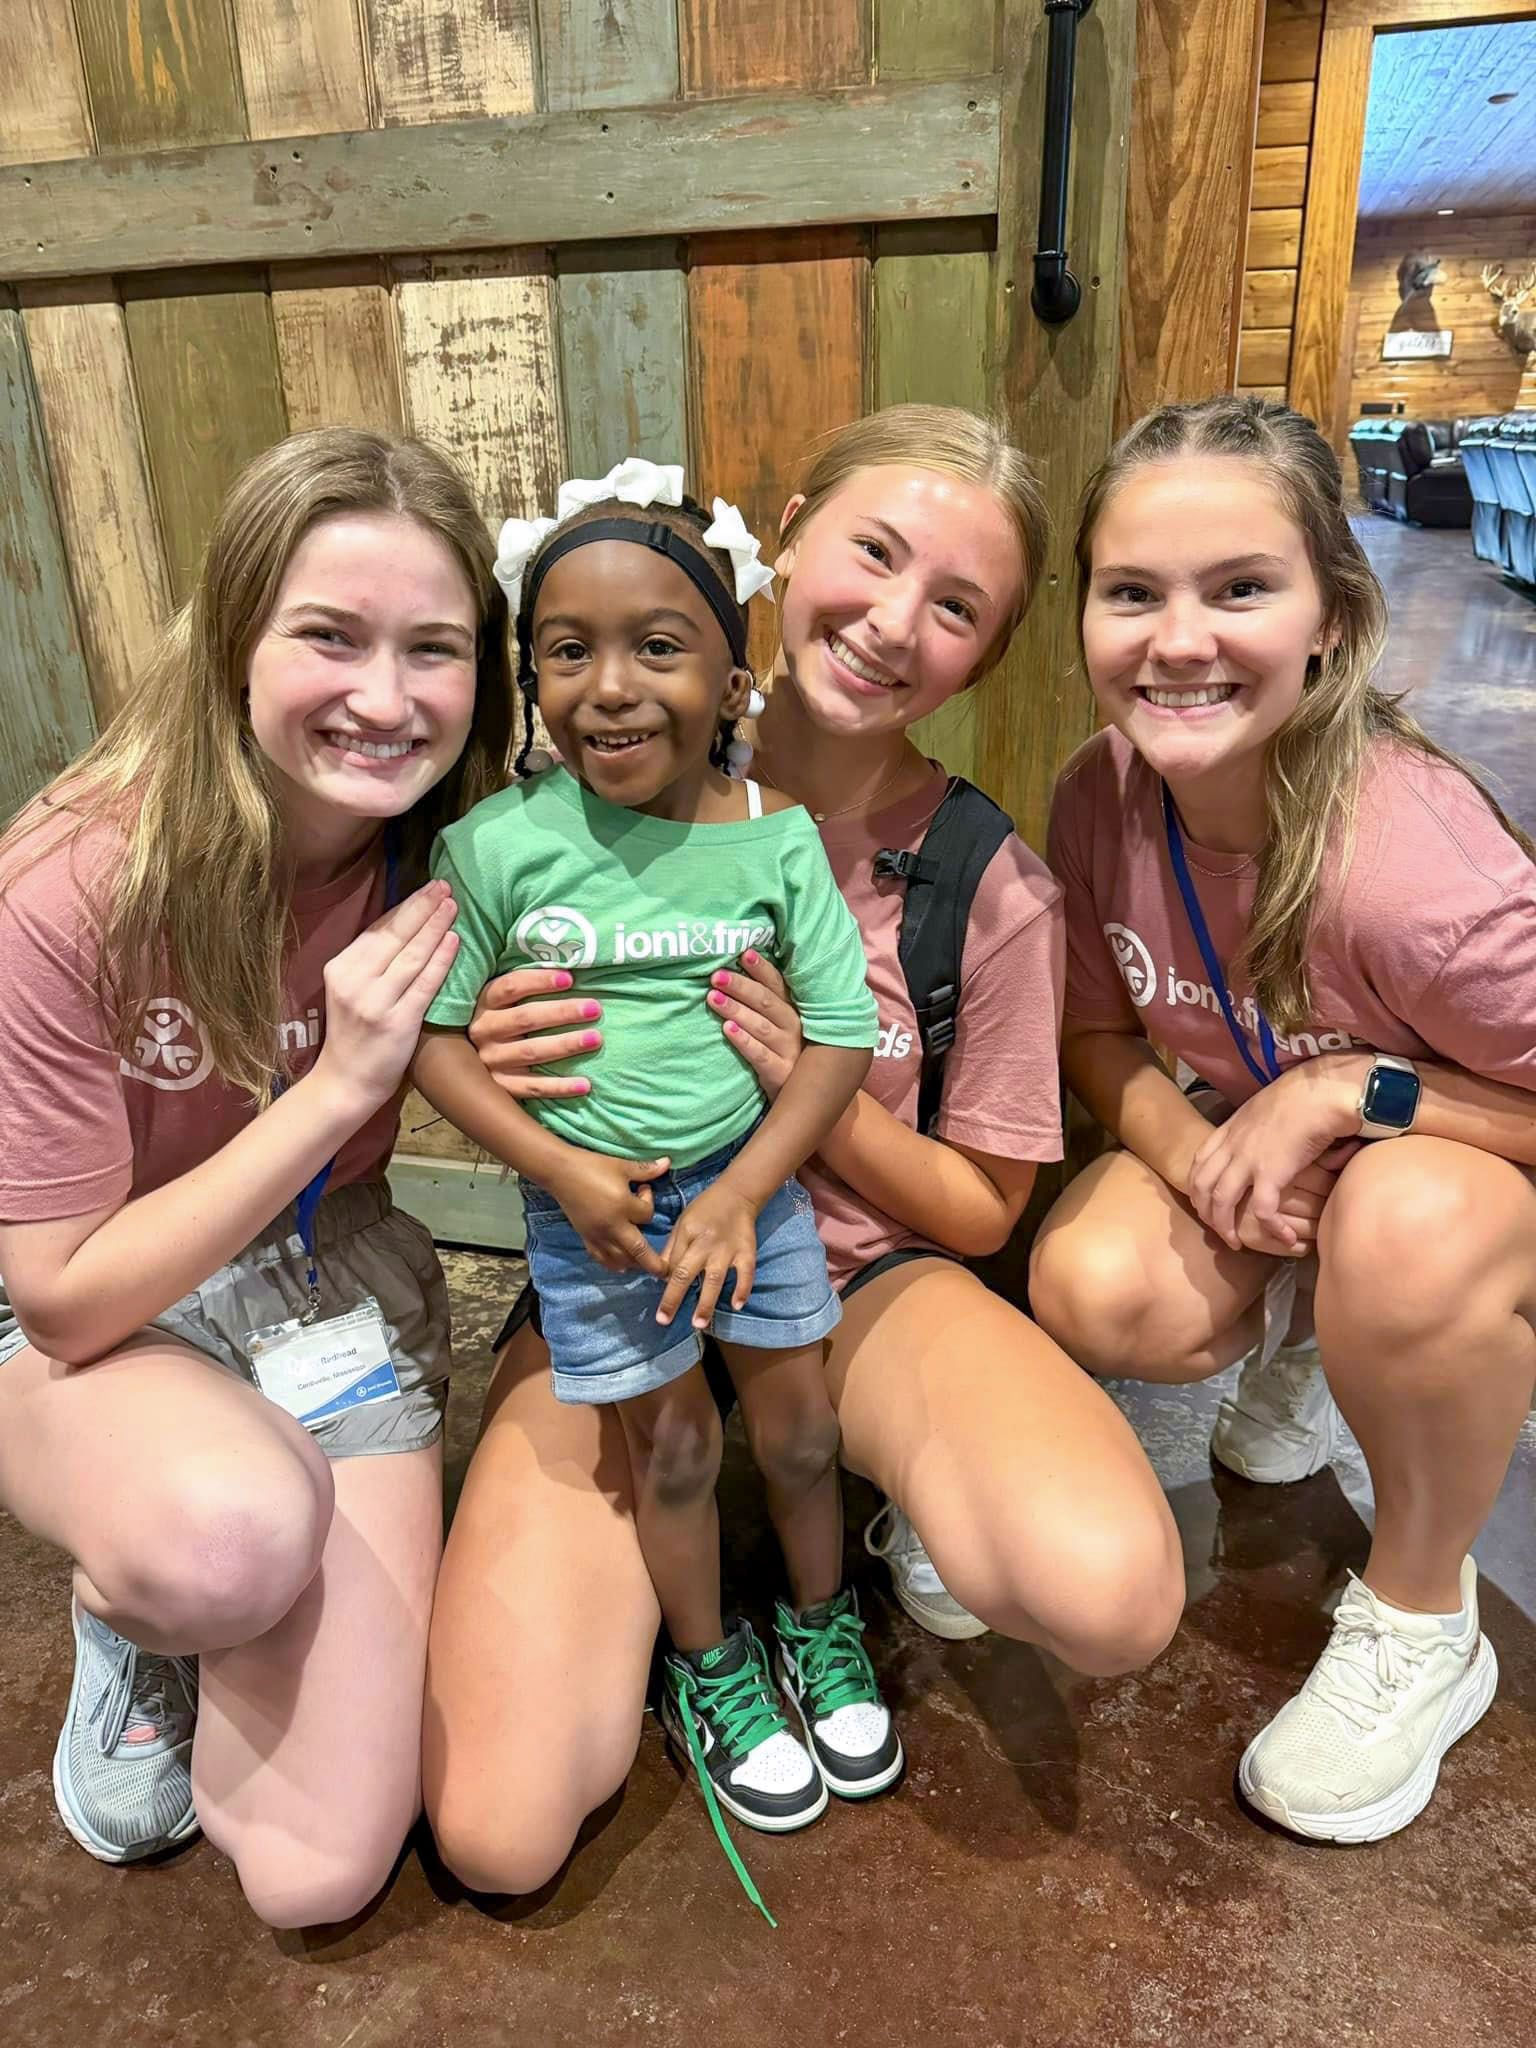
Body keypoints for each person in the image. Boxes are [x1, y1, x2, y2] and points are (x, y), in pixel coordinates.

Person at [422, 405, 1185, 1898]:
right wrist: (505, 1070)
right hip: (619, 1261)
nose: (894, 622)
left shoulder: (984, 883)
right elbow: (430, 1023)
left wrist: (811, 1095)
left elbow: (981, 1212)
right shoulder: (559, 794)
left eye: (957, 605)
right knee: (501, 1825)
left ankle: (856, 1536)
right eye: (874, 554)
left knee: (1108, 1592)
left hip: (860, 1280)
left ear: (991, 650)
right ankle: (695, 1627)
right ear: (786, 539)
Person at [0, 429, 512, 1925]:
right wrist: (343, 1085)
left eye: (434, 649)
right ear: (235, 640)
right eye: (330, 637)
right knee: (226, 1539)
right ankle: (136, 1604)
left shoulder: (463, 852)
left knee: (316, 1875)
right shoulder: (73, 886)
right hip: (92, 1305)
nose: (386, 699)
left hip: (324, 1277)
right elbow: (64, 1297)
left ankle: (221, 1565)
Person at [1029, 394, 1536, 1844]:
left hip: (1466, 1159)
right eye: (1133, 593)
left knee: (1406, 1225)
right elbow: (1096, 1031)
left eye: (1241, 589)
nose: (1178, 642)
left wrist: (1347, 1089)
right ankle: (1316, 1332)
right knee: (1095, 1280)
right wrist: (1205, 1159)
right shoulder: (1101, 794)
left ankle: (1424, 1619)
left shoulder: (1422, 878)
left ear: (1333, 616)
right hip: (1272, 1124)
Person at [410, 464, 899, 1903]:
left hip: (755, 1197)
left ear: (734, 680)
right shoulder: (493, 849)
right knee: (672, 1451)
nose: (611, 687)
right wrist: (562, 1173)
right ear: (530, 682)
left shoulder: (776, 838)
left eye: (660, 647)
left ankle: (821, 1623)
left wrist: (746, 1193)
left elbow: (840, 1037)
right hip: (597, 1222)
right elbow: (436, 1041)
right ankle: (710, 1663)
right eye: (568, 651)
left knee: (799, 1432)